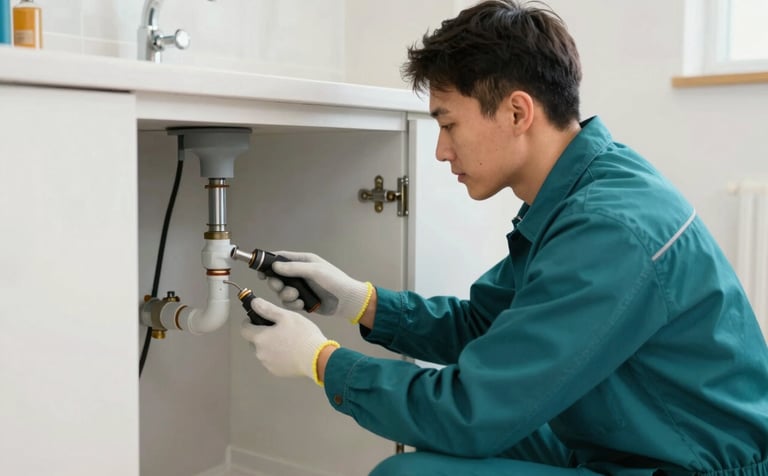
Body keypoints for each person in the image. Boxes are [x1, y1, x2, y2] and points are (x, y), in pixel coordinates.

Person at [239, 1, 768, 474]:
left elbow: (471, 412)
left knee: (407, 475)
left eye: (448, 125)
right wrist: (361, 302)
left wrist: (321, 361)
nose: (442, 152)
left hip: (683, 465)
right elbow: (484, 324)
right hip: (632, 436)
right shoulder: (582, 191)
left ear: (517, 112)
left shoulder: (608, 229)